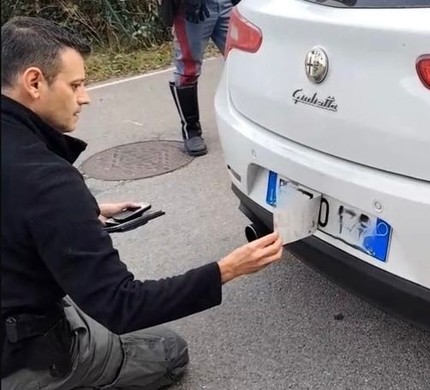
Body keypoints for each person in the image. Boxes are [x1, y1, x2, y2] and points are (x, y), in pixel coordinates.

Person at [1, 16, 282, 390]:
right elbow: (122, 306)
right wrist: (227, 269)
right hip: (23, 354)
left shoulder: (28, 175)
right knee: (167, 351)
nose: (86, 97)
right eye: (76, 85)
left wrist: (84, 213)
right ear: (34, 82)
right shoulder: (47, 182)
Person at [161, 0, 240, 156]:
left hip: (229, 5)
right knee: (187, 70)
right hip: (191, 8)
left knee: (243, 61)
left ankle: (246, 124)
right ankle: (191, 131)